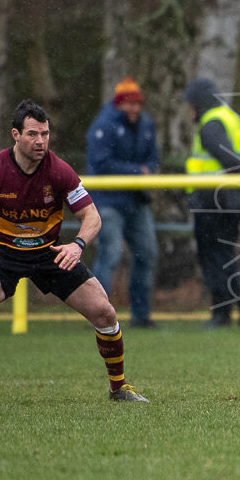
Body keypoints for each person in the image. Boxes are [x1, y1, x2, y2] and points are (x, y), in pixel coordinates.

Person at [0, 100, 148, 403]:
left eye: (45, 134)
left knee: (105, 312)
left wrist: (77, 245)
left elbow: (92, 217)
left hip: (50, 253)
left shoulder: (60, 171)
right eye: (33, 134)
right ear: (15, 135)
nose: (41, 141)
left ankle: (119, 387)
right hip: (2, 252)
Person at [183, 77, 240, 327]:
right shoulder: (230, 117)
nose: (189, 110)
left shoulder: (210, 125)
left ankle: (222, 313)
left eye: (191, 104)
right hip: (232, 199)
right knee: (225, 253)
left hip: (213, 200)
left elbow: (231, 160)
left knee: (213, 256)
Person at [87, 77, 161, 329]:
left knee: (148, 253)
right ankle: (98, 314)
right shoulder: (103, 125)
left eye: (138, 103)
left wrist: (146, 171)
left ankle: (141, 315)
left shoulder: (146, 124)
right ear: (119, 104)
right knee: (109, 254)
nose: (135, 108)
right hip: (108, 200)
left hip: (136, 201)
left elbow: (153, 159)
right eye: (130, 103)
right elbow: (101, 164)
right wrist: (137, 172)